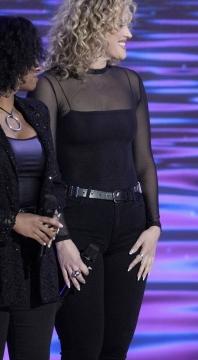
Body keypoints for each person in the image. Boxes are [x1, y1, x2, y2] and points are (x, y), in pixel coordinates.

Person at [28, 0, 161, 358]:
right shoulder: (50, 86)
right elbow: (43, 171)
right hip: (78, 226)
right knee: (83, 347)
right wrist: (61, 238)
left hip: (131, 228)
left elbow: (144, 161)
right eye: (120, 24)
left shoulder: (131, 82)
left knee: (116, 347)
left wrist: (154, 226)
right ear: (94, 26)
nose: (129, 33)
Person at [0, 16, 66, 360]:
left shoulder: (36, 112)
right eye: (29, 55)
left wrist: (54, 211)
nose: (38, 65)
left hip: (36, 269)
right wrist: (13, 220)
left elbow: (55, 179)